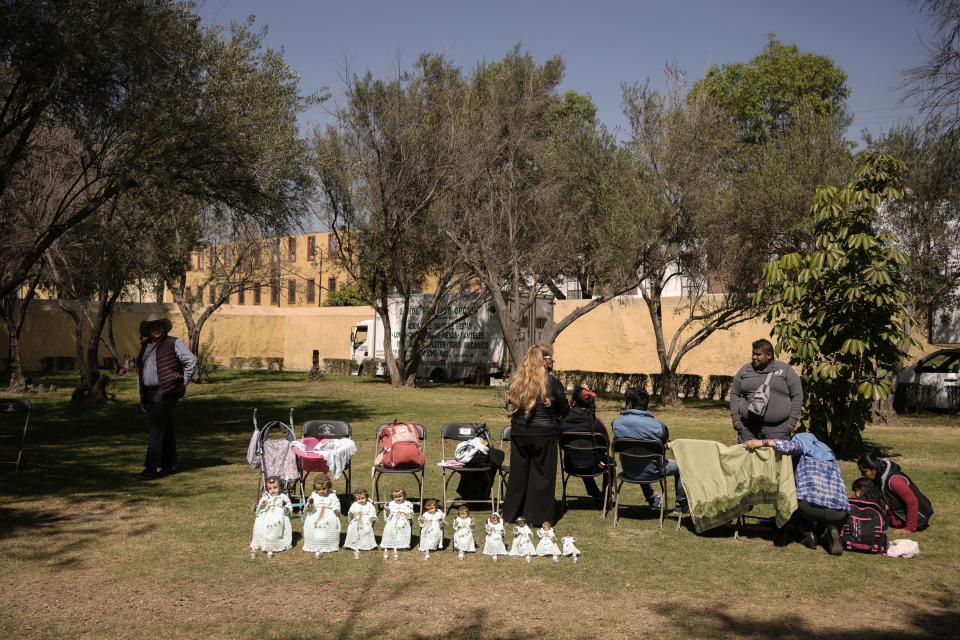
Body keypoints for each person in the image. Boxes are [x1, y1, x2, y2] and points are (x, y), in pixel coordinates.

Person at [744, 432, 848, 555]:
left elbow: (788, 446)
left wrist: (761, 442)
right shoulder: (829, 454)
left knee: (791, 498)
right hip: (839, 512)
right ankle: (829, 530)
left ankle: (806, 533)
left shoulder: (801, 445)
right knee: (822, 514)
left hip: (810, 507)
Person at [501, 343, 569, 526]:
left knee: (518, 474)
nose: (553, 363)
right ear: (545, 361)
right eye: (551, 359)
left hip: (520, 433)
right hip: (544, 434)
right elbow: (564, 408)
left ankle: (512, 513)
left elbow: (510, 405)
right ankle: (537, 516)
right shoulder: (553, 383)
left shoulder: (518, 379)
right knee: (542, 476)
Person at [136, 312, 197, 480]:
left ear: (164, 328)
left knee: (155, 429)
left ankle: (151, 468)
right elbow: (140, 373)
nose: (156, 329)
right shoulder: (145, 347)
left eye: (159, 326)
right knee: (165, 427)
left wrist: (183, 382)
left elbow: (191, 361)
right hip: (150, 393)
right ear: (147, 330)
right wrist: (141, 397)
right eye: (152, 327)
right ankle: (168, 465)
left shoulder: (173, 343)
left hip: (167, 391)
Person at [611, 387, 688, 514]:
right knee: (681, 466)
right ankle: (681, 505)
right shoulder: (659, 427)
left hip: (628, 471)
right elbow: (663, 444)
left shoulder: (616, 424)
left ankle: (653, 499)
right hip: (653, 471)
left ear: (629, 403)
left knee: (638, 457)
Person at [730, 339, 803, 443]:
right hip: (748, 429)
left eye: (758, 354)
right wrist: (736, 420)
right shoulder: (745, 370)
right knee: (748, 459)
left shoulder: (785, 370)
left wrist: (791, 422)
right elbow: (734, 394)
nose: (754, 357)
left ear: (769, 355)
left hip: (778, 430)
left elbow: (798, 395)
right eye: (753, 354)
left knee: (775, 459)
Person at [857, 451, 934, 533]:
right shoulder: (880, 475)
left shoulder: (894, 481)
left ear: (874, 468)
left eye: (864, 471)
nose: (862, 474)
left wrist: (909, 528)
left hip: (918, 519)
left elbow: (912, 502)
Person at [558, 386, 609, 499]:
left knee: (581, 455)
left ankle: (594, 493)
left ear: (573, 402)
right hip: (594, 466)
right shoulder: (595, 423)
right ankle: (606, 496)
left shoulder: (563, 420)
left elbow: (561, 443)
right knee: (608, 463)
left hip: (571, 465)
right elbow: (606, 445)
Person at [250, 475, 292, 558]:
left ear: (280, 488)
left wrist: (286, 509)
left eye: (275, 487)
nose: (272, 490)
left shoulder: (283, 497)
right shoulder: (266, 497)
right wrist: (262, 506)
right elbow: (260, 508)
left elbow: (289, 506)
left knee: (278, 525)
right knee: (261, 523)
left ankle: (277, 542)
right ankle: (265, 541)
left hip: (279, 514)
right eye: (270, 488)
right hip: (268, 514)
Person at [302, 474, 341, 557]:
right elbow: (309, 503)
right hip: (315, 512)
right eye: (319, 489)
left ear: (328, 487)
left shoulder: (332, 495)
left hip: (328, 513)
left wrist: (336, 509)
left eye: (324, 488)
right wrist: (309, 506)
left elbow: (336, 503)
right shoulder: (314, 495)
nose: (321, 491)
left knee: (328, 524)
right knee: (313, 524)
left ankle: (328, 542)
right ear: (315, 489)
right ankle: (314, 542)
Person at [380, 486, 414, 559]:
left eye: (400, 496)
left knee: (402, 529)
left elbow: (410, 512)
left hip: (403, 519)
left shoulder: (407, 503)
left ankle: (402, 544)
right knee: (389, 529)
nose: (398, 498)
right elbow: (390, 512)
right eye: (396, 497)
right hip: (393, 520)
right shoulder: (392, 503)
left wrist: (408, 515)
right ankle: (390, 543)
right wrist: (387, 509)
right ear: (392, 497)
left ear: (404, 495)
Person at [344, 487, 378, 559]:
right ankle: (354, 543)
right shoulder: (354, 504)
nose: (360, 500)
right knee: (352, 530)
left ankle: (365, 543)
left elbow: (372, 512)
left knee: (366, 531)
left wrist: (371, 518)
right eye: (358, 499)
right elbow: (351, 512)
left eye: (362, 498)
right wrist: (351, 514)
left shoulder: (369, 505)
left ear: (366, 497)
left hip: (365, 520)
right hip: (356, 520)